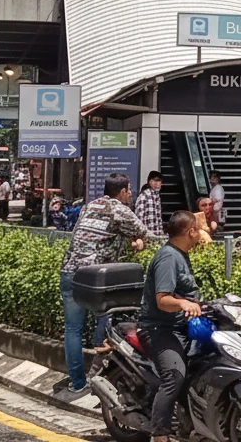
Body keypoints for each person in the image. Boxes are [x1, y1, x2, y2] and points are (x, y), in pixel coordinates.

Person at [56, 173, 149, 401]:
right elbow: (148, 235)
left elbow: (93, 235)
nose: (131, 195)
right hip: (97, 278)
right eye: (129, 191)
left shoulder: (89, 207)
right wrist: (139, 241)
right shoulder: (119, 209)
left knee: (73, 329)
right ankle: (100, 376)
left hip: (70, 272)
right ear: (123, 191)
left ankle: (78, 384)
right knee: (109, 321)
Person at [139, 211, 204, 442]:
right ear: (190, 231)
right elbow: (163, 300)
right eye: (198, 228)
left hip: (181, 327)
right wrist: (184, 303)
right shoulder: (168, 257)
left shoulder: (181, 254)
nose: (201, 232)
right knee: (174, 376)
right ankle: (160, 434)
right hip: (159, 329)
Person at [135, 171, 165, 237]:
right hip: (147, 236)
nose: (156, 183)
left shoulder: (157, 197)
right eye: (154, 180)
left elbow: (159, 218)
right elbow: (139, 217)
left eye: (159, 181)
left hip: (157, 235)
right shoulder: (144, 195)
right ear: (149, 181)